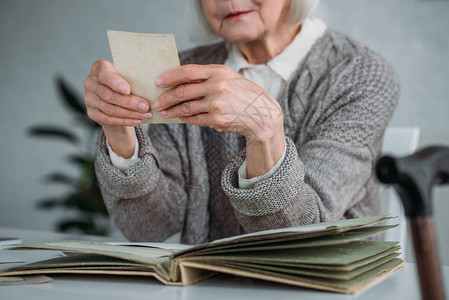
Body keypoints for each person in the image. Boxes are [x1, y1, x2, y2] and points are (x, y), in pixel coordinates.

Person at [83, 0, 399, 245]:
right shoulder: (184, 71)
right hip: (215, 289)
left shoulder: (362, 75)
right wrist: (118, 125)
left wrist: (264, 131)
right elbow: (151, 226)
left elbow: (304, 232)